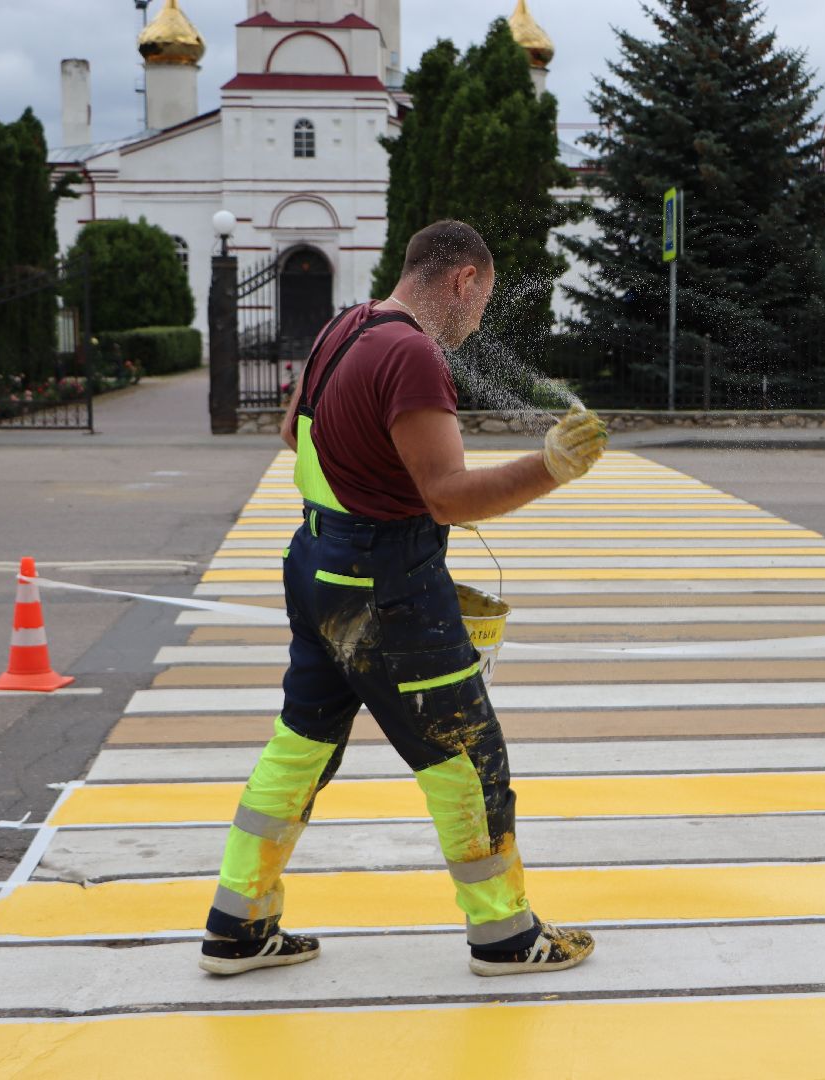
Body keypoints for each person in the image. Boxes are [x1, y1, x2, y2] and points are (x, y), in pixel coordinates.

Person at [199, 220, 609, 978]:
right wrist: (552, 467)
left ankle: (238, 924)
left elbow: (294, 433)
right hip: (385, 588)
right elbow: (448, 498)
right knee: (464, 750)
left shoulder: (345, 327)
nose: (479, 319)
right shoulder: (414, 353)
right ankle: (504, 936)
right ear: (463, 281)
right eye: (482, 300)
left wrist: (371, 485)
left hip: (316, 565)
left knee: (303, 742)